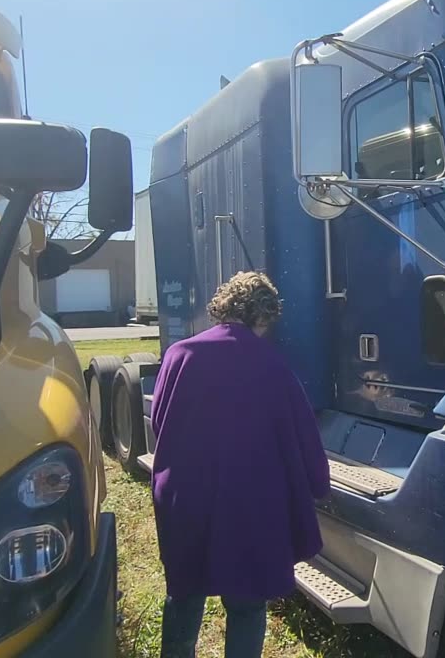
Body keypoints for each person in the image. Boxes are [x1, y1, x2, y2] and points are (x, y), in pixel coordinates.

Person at [149, 271, 330, 658]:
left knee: (184, 592)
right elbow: (301, 437)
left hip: (187, 498)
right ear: (263, 316)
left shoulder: (180, 354)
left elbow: (159, 422)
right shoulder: (274, 366)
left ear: (223, 308)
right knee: (247, 604)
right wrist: (318, 484)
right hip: (250, 504)